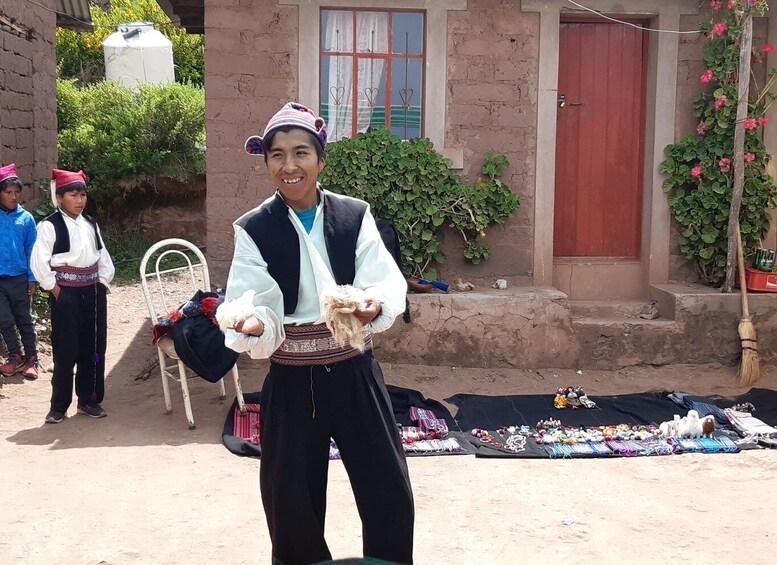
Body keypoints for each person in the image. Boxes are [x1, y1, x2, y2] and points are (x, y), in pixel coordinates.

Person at [225, 102, 414, 564]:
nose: (289, 166)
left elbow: (382, 279)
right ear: (266, 162)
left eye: (301, 152)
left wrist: (374, 303)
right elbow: (254, 299)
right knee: (291, 505)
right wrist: (252, 324)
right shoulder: (254, 228)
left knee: (389, 492)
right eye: (277, 155)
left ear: (321, 158)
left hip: (354, 371)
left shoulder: (354, 216)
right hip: (291, 380)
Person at [31, 169, 115, 424]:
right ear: (60, 198)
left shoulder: (90, 223)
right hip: (64, 294)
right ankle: (59, 406)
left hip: (92, 293)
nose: (79, 200)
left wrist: (101, 283)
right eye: (73, 195)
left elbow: (104, 257)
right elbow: (39, 261)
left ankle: (88, 400)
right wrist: (54, 289)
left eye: (83, 195)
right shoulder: (49, 225)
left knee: (92, 347)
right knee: (65, 349)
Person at [0, 163, 39, 380]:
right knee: (4, 319)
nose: (13, 196)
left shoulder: (26, 219)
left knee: (24, 318)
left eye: (16, 192)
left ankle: (32, 358)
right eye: (8, 192)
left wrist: (32, 278)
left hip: (20, 279)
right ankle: (15, 357)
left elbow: (31, 250)